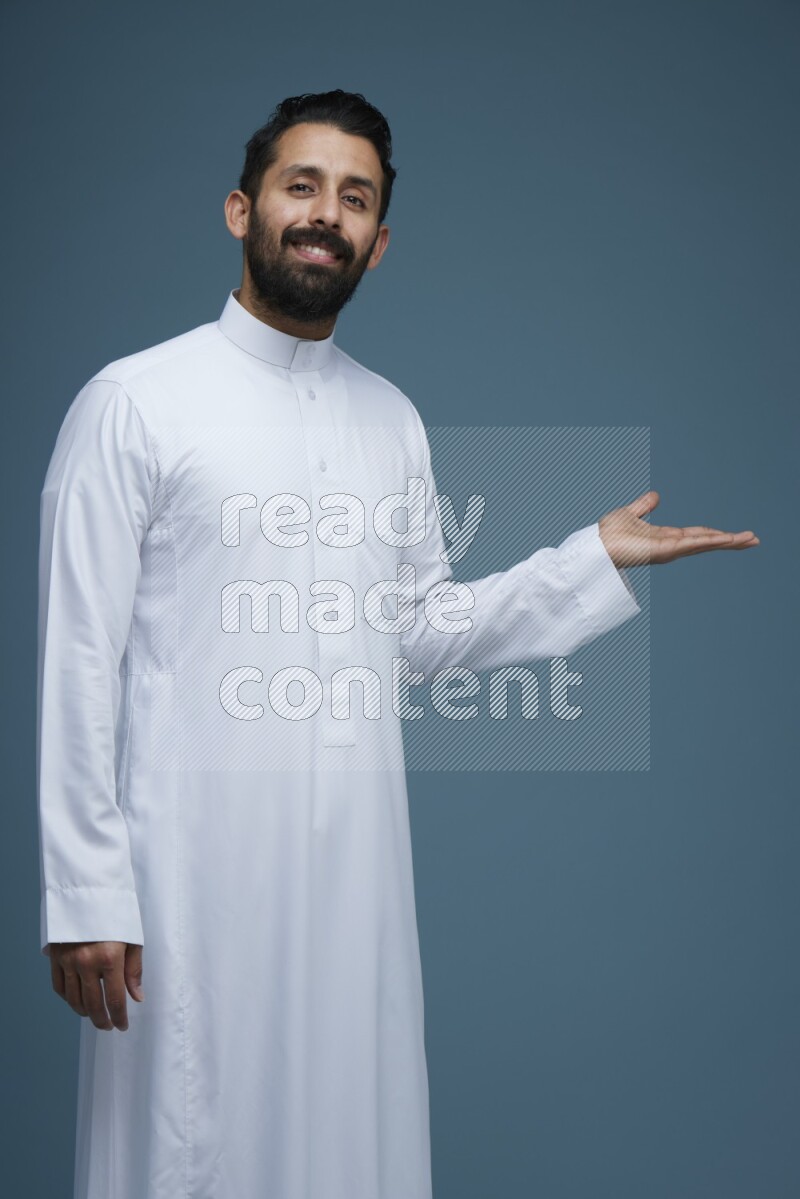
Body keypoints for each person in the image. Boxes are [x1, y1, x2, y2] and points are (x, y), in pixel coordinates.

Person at [36, 89, 759, 1199]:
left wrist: (588, 559)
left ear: (378, 245)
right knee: (186, 1143)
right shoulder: (134, 403)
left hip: (355, 885)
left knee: (348, 1147)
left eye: (355, 198)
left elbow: (417, 633)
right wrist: (89, 890)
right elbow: (79, 654)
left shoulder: (392, 420)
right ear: (241, 209)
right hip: (187, 880)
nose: (325, 213)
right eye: (301, 185)